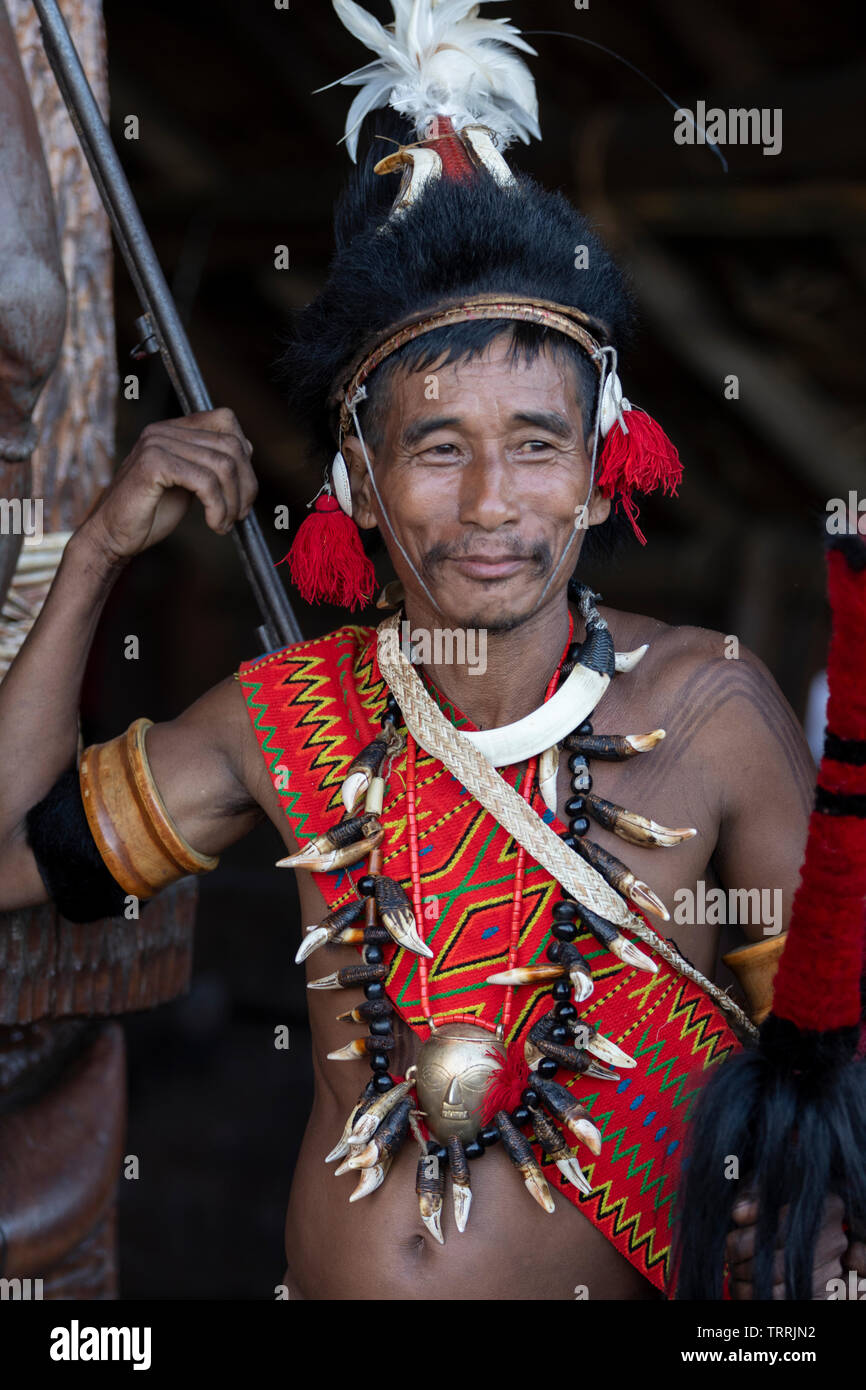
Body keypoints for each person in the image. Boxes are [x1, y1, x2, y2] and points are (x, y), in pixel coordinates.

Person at [0, 0, 851, 1300]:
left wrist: (799, 1228)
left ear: (596, 465)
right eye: (436, 445)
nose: (490, 502)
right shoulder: (280, 719)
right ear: (359, 475)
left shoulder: (710, 710)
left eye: (534, 442)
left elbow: (830, 1064)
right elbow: (10, 854)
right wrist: (100, 548)